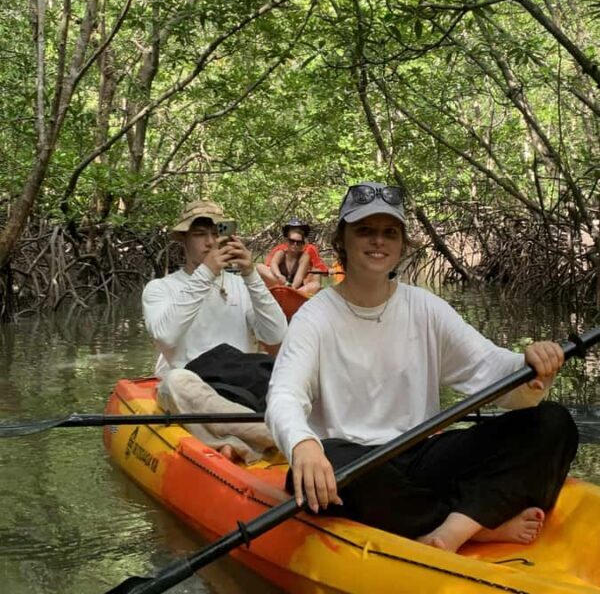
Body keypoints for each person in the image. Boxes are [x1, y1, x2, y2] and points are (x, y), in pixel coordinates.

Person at [266, 182, 578, 553]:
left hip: (419, 456)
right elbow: (284, 394)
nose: (377, 241)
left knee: (553, 423)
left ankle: (451, 529)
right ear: (342, 241)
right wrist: (303, 445)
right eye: (365, 230)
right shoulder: (314, 317)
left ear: (402, 245)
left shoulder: (426, 308)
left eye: (389, 232)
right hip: (351, 461)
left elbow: (492, 369)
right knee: (331, 465)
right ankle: (477, 523)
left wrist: (531, 365)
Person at [143, 199, 288, 461]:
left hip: (242, 389)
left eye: (216, 233)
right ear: (184, 240)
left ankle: (235, 441)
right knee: (175, 382)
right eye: (199, 234)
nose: (210, 242)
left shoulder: (242, 285)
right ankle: (281, 435)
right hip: (197, 391)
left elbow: (276, 336)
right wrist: (207, 272)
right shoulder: (159, 289)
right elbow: (166, 337)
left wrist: (250, 274)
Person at [257, 217, 328, 296]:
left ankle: (292, 294)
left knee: (316, 281)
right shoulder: (279, 250)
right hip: (279, 283)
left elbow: (318, 269)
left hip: (297, 288)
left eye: (298, 242)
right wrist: (278, 276)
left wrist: (292, 288)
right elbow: (270, 265)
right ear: (287, 239)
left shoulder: (308, 252)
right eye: (292, 241)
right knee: (259, 267)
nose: (295, 244)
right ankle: (282, 290)